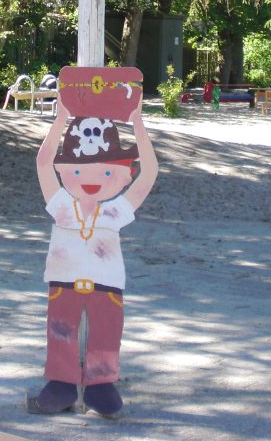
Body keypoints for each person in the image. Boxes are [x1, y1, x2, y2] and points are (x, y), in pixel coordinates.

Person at [31, 100, 158, 418]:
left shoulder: (115, 210)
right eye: (77, 170)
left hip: (107, 285)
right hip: (64, 282)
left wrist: (137, 124)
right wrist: (61, 119)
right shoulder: (61, 204)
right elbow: (43, 163)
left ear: (123, 175)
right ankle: (61, 385)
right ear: (64, 171)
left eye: (106, 171)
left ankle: (100, 386)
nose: (90, 179)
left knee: (105, 333)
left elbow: (149, 174)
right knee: (61, 332)